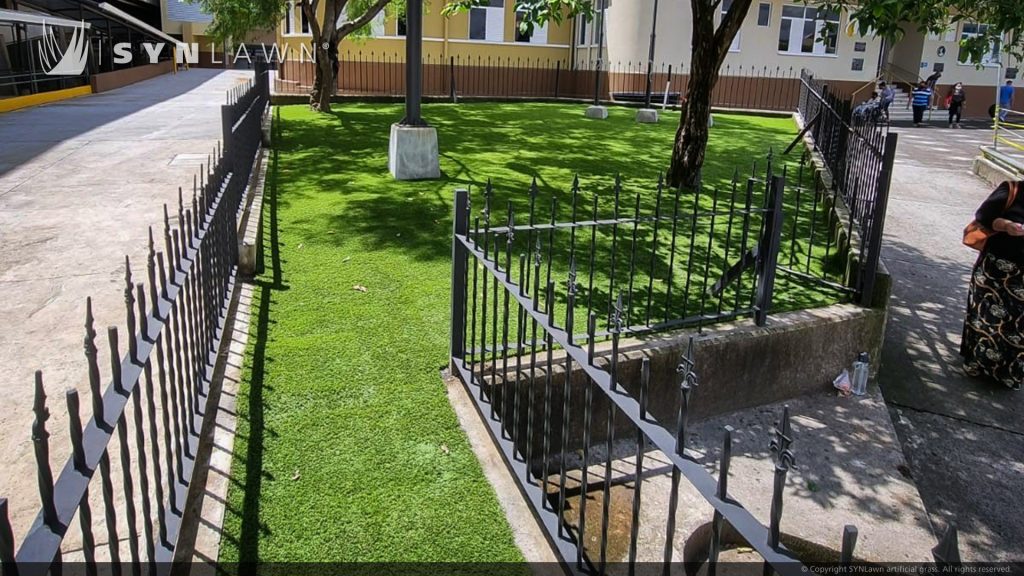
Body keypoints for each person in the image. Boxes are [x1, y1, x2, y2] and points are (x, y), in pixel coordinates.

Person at [961, 180, 1024, 390]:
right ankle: (976, 362)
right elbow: (984, 218)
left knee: (1017, 326)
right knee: (985, 318)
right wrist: (1006, 225)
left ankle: (1009, 374)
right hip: (995, 270)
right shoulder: (1012, 190)